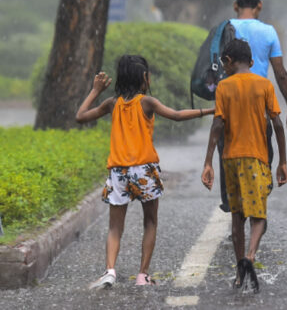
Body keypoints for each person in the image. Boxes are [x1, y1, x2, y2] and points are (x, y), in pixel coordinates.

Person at [76, 55, 214, 289]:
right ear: (143, 78)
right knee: (150, 222)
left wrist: (95, 90)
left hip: (118, 172)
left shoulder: (112, 103)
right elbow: (177, 115)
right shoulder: (147, 102)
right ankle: (143, 276)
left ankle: (110, 271)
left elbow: (80, 116)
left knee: (114, 227)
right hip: (144, 171)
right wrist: (209, 111)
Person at [201, 39, 287, 292]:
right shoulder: (264, 85)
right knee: (258, 216)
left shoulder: (223, 87)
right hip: (256, 158)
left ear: (227, 62)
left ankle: (240, 273)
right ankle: (250, 256)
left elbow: (217, 125)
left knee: (237, 216)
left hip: (230, 159)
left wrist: (208, 162)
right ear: (251, 62)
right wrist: (282, 161)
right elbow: (278, 125)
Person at [215, 0, 287, 213]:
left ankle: (231, 201)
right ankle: (257, 193)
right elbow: (281, 73)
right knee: (262, 155)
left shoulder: (226, 28)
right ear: (259, 6)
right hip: (258, 110)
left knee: (227, 153)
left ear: (235, 6)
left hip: (230, 106)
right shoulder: (269, 32)